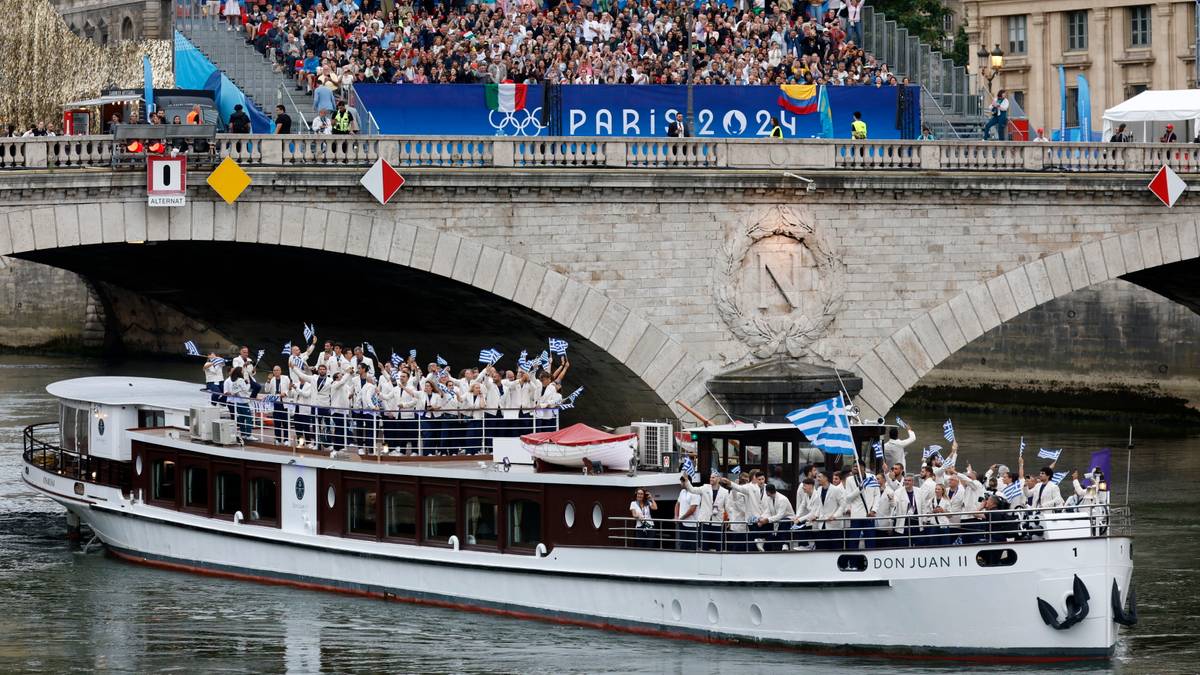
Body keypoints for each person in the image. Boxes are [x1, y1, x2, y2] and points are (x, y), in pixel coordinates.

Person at [683, 472, 729, 551]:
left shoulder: (725, 492)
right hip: (705, 521)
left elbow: (728, 507)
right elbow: (692, 490)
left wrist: (729, 519)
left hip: (717, 521)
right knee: (704, 545)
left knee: (719, 545)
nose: (711, 479)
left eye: (713, 477)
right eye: (710, 477)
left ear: (718, 479)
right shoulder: (705, 487)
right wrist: (687, 480)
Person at [674, 478, 699, 551]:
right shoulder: (682, 491)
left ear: (686, 482)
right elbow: (677, 504)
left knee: (692, 547)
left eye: (681, 482)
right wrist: (676, 516)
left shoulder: (695, 492)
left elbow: (692, 509)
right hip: (682, 524)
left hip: (692, 525)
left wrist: (680, 518)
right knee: (683, 545)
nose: (680, 484)